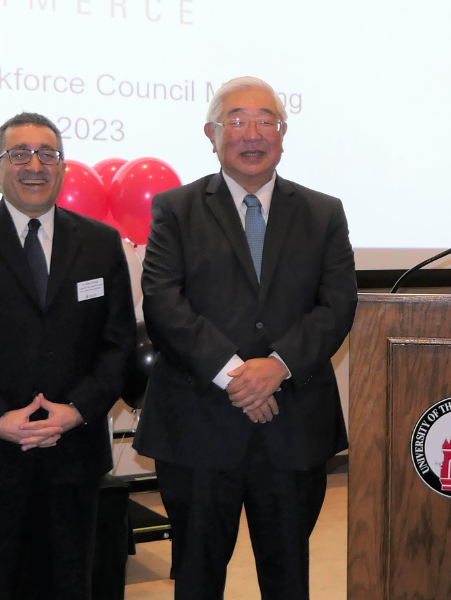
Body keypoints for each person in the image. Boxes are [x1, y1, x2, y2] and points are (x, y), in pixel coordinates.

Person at [133, 76, 357, 600]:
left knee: (288, 578)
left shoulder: (323, 212)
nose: (251, 133)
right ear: (211, 134)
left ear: (283, 134)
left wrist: (277, 366)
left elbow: (338, 304)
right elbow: (163, 302)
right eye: (236, 120)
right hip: (197, 426)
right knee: (196, 575)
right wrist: (238, 375)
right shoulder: (175, 208)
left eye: (266, 121)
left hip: (293, 427)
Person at [0, 112, 136, 600]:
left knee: (67, 585)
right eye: (19, 154)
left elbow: (118, 343)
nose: (35, 165)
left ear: (62, 167)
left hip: (72, 456)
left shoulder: (100, 244)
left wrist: (77, 410)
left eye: (48, 154)